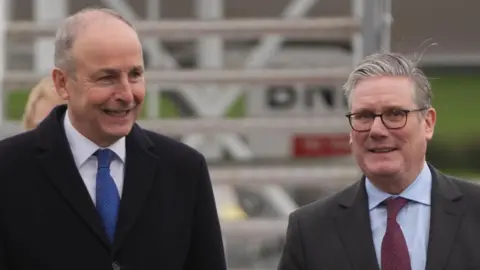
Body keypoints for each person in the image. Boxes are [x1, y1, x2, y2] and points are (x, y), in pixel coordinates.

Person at [0, 7, 226, 270]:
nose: (127, 94)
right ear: (62, 83)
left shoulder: (184, 170)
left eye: (135, 75)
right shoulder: (8, 170)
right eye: (107, 78)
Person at [277, 52, 480, 270]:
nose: (376, 130)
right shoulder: (310, 229)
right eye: (364, 116)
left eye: (394, 114)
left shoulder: (475, 211)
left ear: (428, 123)